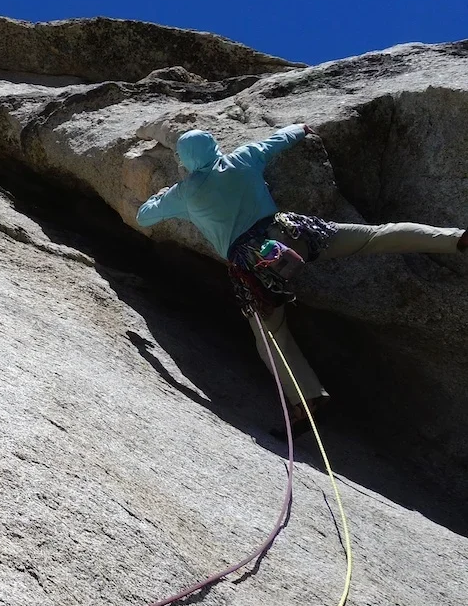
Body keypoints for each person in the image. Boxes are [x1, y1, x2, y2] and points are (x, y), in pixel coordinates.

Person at [135, 125, 467, 423]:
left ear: (186, 160)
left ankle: (305, 399)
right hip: (291, 233)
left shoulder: (186, 193)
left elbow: (145, 216)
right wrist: (300, 128)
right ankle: (454, 238)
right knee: (373, 236)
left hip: (253, 264)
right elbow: (276, 140)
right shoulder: (242, 159)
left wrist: (164, 195)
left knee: (271, 337)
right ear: (213, 146)